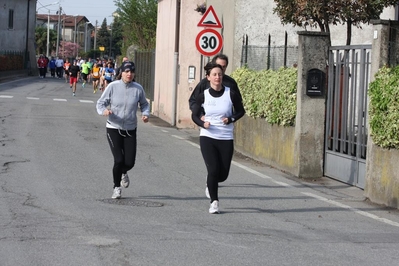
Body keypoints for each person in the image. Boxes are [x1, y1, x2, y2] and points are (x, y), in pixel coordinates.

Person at [191, 62, 245, 214]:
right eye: (214, 74)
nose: (217, 77)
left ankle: (211, 182)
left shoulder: (230, 93)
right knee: (213, 169)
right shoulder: (203, 96)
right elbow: (194, 115)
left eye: (220, 74)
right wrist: (203, 123)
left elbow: (240, 111)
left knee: (223, 174)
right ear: (208, 77)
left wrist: (231, 119)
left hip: (226, 137)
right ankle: (214, 201)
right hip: (208, 136)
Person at [96, 61, 150, 199]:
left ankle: (123, 172)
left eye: (132, 72)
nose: (129, 74)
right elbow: (100, 103)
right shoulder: (113, 86)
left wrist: (145, 114)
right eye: (127, 71)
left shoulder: (138, 88)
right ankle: (116, 187)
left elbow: (144, 104)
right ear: (121, 73)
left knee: (130, 162)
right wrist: (104, 111)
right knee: (119, 160)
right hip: (113, 127)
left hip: (130, 129)